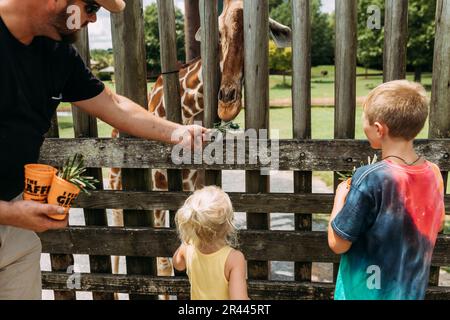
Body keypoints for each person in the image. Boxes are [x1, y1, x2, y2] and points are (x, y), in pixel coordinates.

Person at [0, 0, 206, 299]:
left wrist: (177, 131)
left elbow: (113, 103)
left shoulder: (57, 55)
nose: (93, 19)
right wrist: (9, 214)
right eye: (91, 6)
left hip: (16, 231)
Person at [328, 80, 446, 300]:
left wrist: (339, 198)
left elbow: (338, 244)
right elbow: (438, 224)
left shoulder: (369, 177)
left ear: (379, 129)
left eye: (364, 118)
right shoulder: (434, 173)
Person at [172, 186, 249, 300]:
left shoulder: (188, 247)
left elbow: (178, 264)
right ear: (228, 224)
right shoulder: (234, 259)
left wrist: (187, 238)